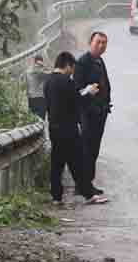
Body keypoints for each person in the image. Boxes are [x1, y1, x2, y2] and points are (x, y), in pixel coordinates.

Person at [44, 52, 109, 205]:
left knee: (57, 164)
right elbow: (77, 101)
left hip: (54, 128)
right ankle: (88, 194)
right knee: (78, 162)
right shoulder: (66, 81)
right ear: (67, 65)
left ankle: (56, 197)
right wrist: (90, 92)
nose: (72, 72)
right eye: (72, 68)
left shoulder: (48, 82)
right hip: (69, 129)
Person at [74, 31, 112, 192]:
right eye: (98, 42)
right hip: (88, 113)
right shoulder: (83, 62)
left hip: (100, 112)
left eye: (104, 42)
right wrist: (87, 91)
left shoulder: (99, 61)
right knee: (86, 148)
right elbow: (76, 89)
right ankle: (82, 185)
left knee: (94, 149)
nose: (101, 45)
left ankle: (88, 183)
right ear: (90, 43)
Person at [26, 54, 49, 119]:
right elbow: (51, 75)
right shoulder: (40, 71)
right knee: (41, 120)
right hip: (40, 98)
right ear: (41, 61)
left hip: (30, 98)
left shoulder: (28, 70)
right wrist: (44, 66)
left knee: (32, 119)